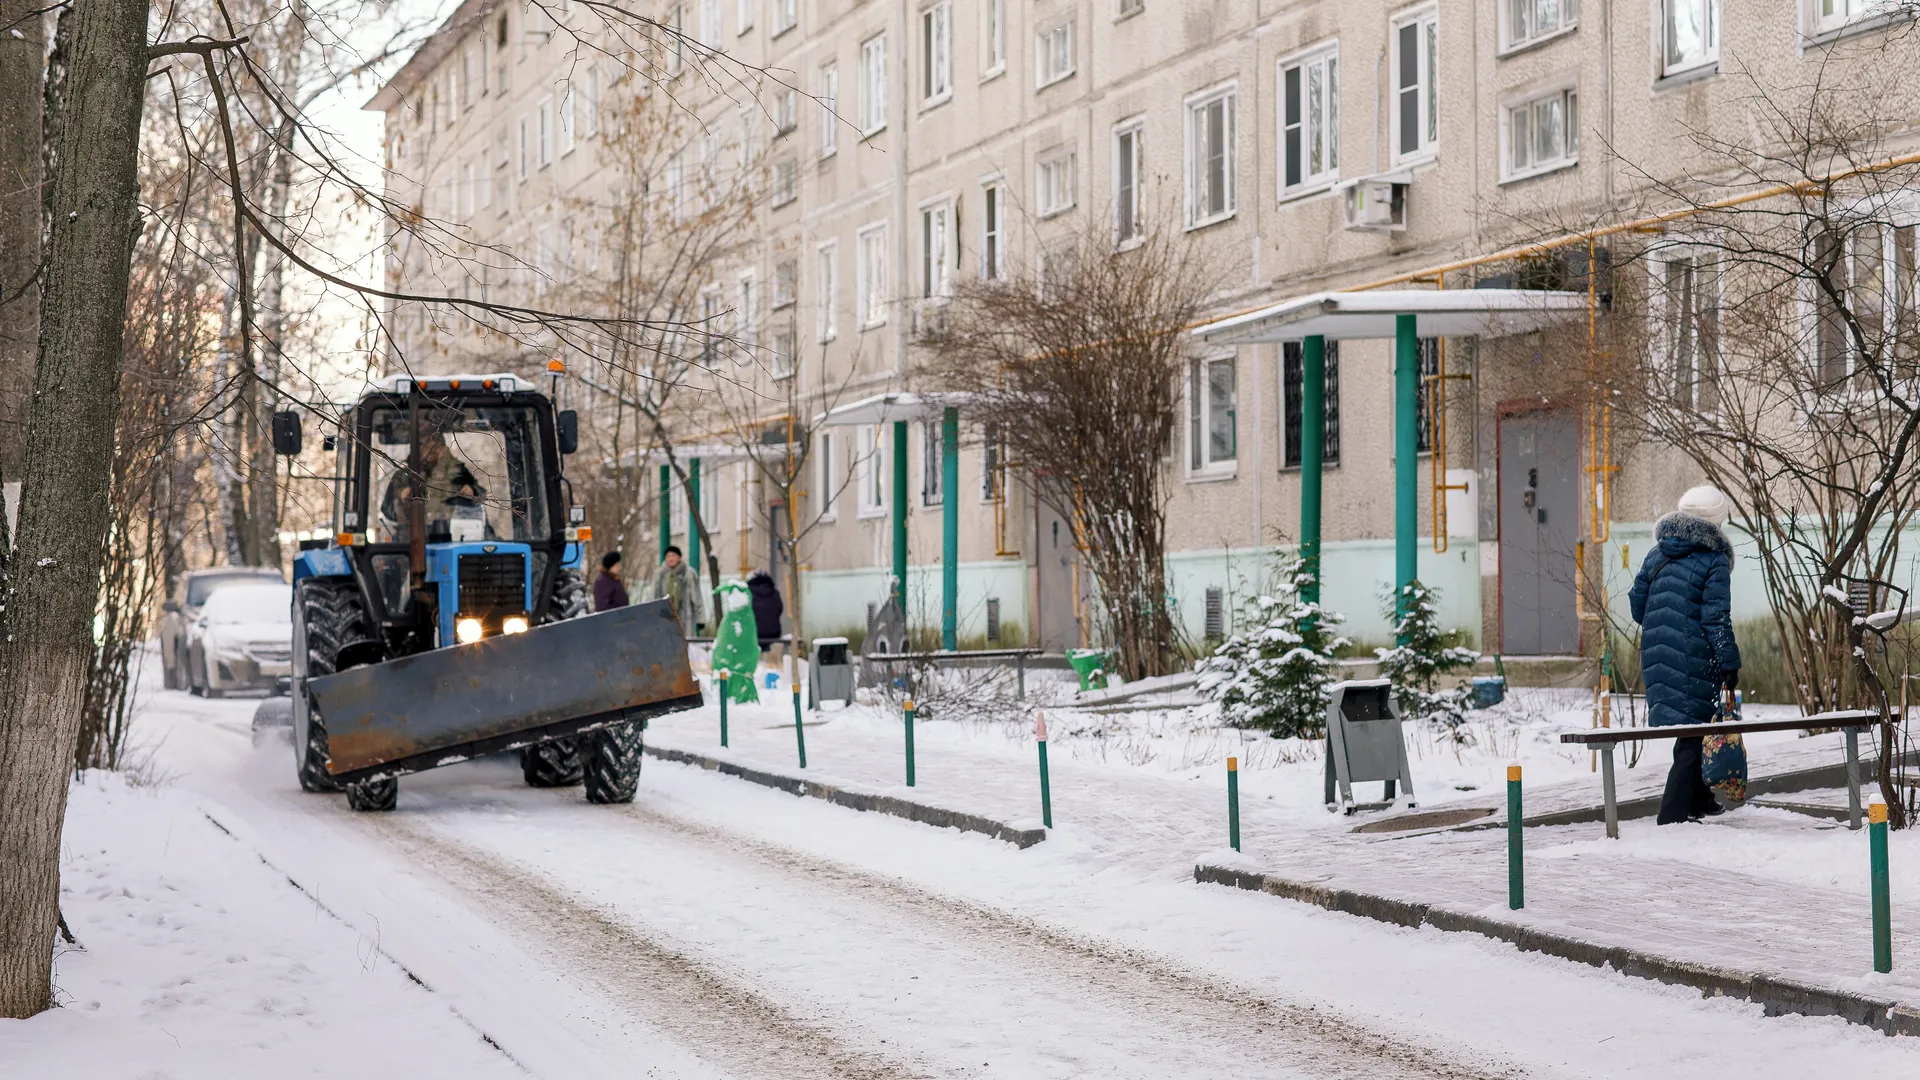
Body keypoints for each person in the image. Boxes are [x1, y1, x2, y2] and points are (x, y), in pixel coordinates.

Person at [1630, 484, 1743, 825]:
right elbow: (1715, 619)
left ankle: (1701, 800)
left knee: (1694, 727)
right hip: (1696, 656)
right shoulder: (1714, 561)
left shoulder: (1657, 554)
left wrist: (1665, 621)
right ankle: (1672, 813)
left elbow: (1637, 605)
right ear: (1716, 523)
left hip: (1657, 655)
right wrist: (1729, 663)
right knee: (1694, 733)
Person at [649, 545, 704, 639]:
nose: (670, 559)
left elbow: (697, 597)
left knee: (685, 644)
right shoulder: (659, 574)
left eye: (673, 555)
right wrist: (650, 616)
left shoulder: (688, 573)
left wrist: (701, 619)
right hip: (664, 617)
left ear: (679, 557)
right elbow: (653, 596)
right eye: (668, 556)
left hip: (685, 617)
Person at [747, 568, 784, 652]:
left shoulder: (747, 593)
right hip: (773, 633)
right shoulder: (774, 592)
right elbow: (779, 609)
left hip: (753, 632)